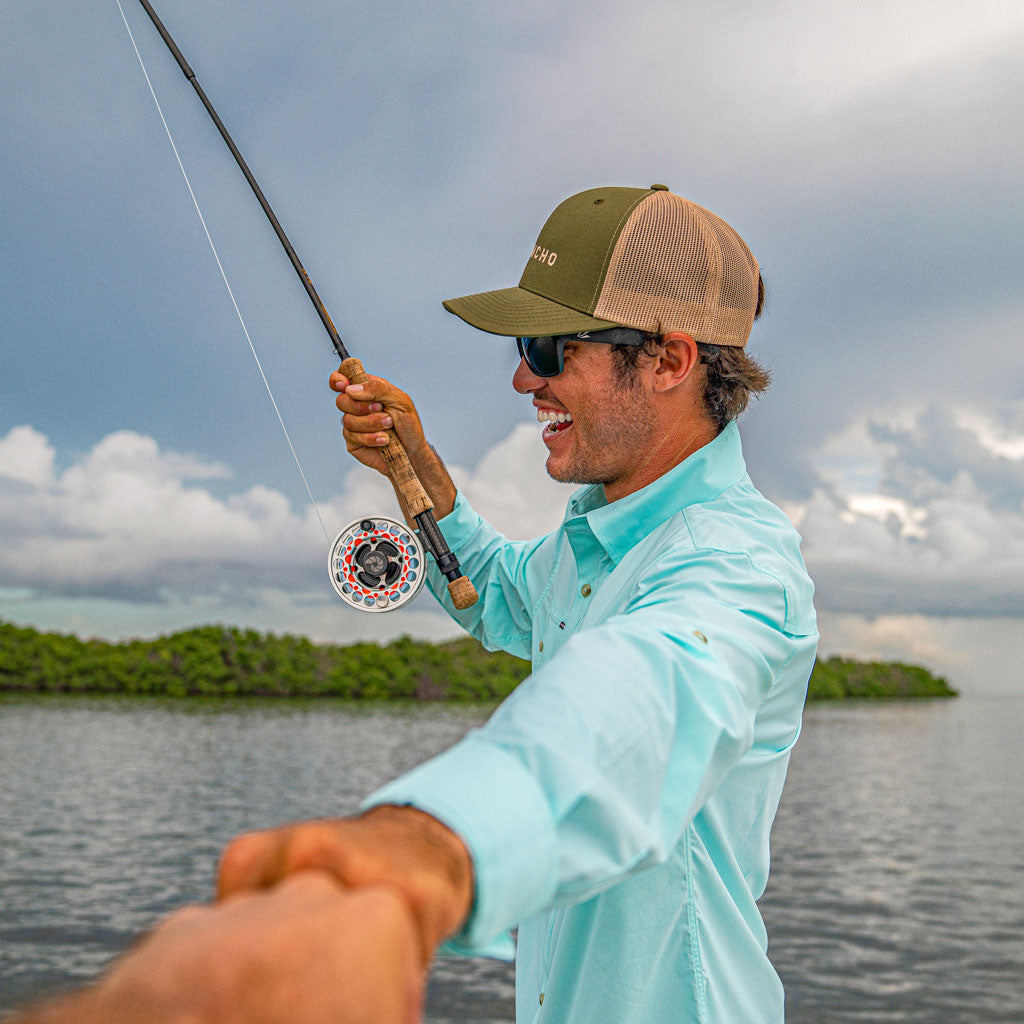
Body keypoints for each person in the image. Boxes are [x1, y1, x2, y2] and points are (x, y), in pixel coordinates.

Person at [11, 184, 817, 1024]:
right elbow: (500, 596)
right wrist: (422, 476)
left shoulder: (737, 564)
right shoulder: (598, 543)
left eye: (546, 347)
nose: (520, 377)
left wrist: (408, 857)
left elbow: (650, 700)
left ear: (668, 361)